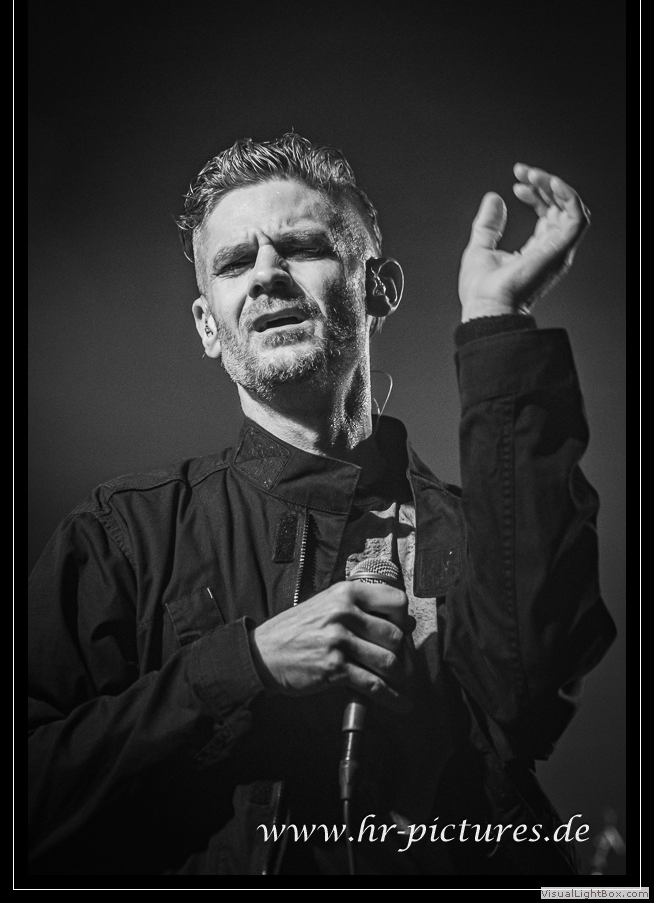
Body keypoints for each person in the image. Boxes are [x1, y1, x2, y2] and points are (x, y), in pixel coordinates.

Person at [28, 133, 616, 877]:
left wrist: (495, 321)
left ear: (380, 289)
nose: (266, 275)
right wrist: (245, 667)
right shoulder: (123, 535)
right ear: (208, 325)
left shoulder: (473, 530)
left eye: (302, 247)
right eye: (234, 264)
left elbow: (531, 704)